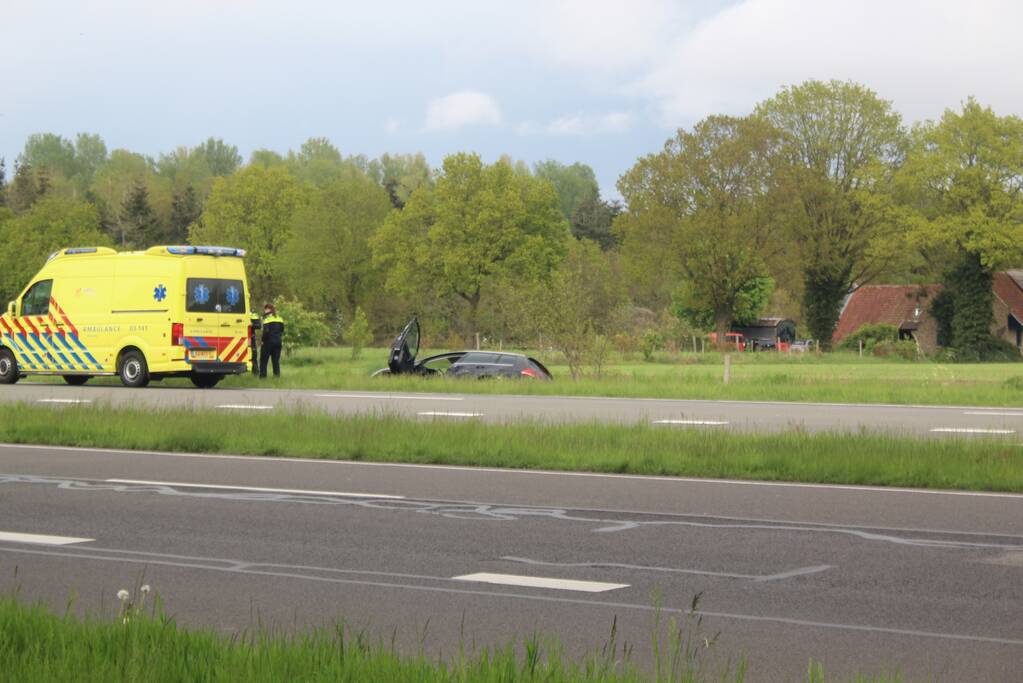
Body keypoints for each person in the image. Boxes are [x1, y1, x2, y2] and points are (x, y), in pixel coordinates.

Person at [259, 303, 284, 379]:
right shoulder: (280, 319)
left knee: (263, 361)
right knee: (276, 361)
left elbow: (265, 332)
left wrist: (263, 340)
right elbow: (282, 330)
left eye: (265, 309)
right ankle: (276, 377)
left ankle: (263, 377)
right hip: (278, 342)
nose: (264, 311)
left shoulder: (267, 320)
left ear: (268, 309)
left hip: (268, 343)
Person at [249, 311, 261, 375]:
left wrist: (252, 325)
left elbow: (259, 325)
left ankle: (255, 372)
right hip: (238, 337)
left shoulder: (252, 314)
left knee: (254, 355)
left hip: (250, 338)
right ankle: (236, 372)